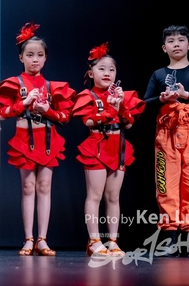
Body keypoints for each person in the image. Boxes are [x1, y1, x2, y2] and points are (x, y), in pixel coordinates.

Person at [0, 22, 75, 256]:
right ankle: (28, 238)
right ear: (21, 57)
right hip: (24, 138)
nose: (34, 59)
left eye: (39, 55)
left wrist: (47, 110)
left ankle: (42, 239)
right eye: (29, 55)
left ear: (45, 58)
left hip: (47, 139)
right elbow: (2, 113)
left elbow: (65, 117)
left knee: (44, 186)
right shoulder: (14, 83)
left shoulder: (51, 86)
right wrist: (24, 103)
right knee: (28, 187)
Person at [143, 25, 189, 258]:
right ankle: (170, 242)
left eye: (181, 40)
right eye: (171, 41)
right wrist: (162, 98)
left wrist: (186, 95)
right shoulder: (159, 74)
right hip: (167, 133)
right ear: (164, 48)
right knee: (166, 185)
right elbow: (144, 104)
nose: (176, 44)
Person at [71, 43, 144, 257]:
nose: (107, 73)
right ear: (91, 73)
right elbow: (88, 121)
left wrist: (120, 105)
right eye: (101, 69)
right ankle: (94, 241)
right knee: (94, 195)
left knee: (113, 197)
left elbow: (128, 124)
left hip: (118, 146)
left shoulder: (123, 96)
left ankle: (113, 241)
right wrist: (110, 110)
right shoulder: (88, 95)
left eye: (111, 69)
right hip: (96, 146)